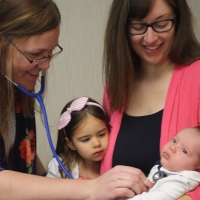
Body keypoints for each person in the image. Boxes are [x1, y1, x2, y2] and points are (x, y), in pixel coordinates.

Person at [0, 0, 148, 199]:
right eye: (35, 55)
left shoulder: (19, 92)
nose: (46, 65)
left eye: (50, 53)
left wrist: (50, 179)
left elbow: (26, 159)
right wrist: (91, 188)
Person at [101, 0, 200, 200]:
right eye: (138, 27)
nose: (150, 37)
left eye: (162, 24)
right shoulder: (115, 89)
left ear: (178, 21)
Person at [127, 127, 200, 200]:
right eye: (174, 141)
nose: (172, 147)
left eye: (184, 150)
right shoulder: (164, 168)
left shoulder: (180, 182)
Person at [46, 96, 110, 179]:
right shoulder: (59, 167)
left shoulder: (117, 160)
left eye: (101, 135)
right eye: (86, 139)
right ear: (70, 144)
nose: (97, 144)